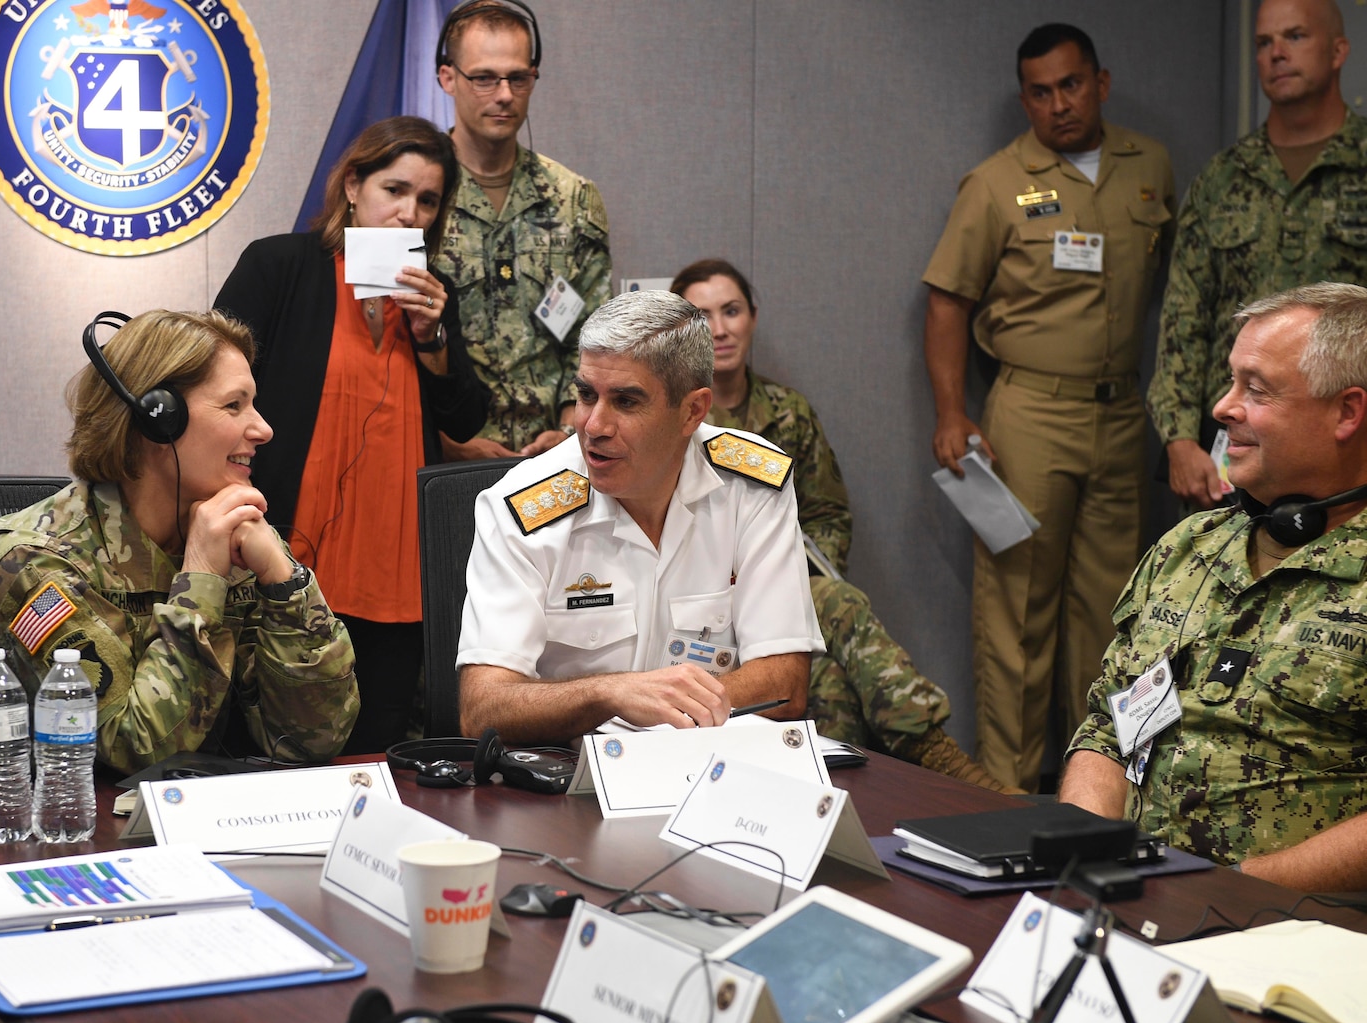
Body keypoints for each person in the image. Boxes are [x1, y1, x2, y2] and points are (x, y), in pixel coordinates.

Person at [0, 310, 359, 790]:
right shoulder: (34, 561)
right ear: (158, 422)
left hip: (190, 824)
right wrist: (200, 582)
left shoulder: (236, 533)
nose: (263, 429)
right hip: (31, 832)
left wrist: (283, 580)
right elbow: (137, 751)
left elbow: (313, 739)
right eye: (234, 406)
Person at [922, 23, 1175, 792]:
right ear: (1025, 98)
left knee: (1112, 611)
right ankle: (1008, 790)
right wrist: (950, 415)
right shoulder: (996, 183)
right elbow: (945, 302)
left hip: (1121, 415)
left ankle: (1097, 788)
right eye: (1040, 91)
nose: (1059, 105)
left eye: (1071, 85)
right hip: (1029, 413)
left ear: (1100, 82)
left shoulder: (1150, 167)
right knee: (1018, 614)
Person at [1062, 283, 1367, 892]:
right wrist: (1090, 858)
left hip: (1299, 934)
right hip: (1130, 901)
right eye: (1230, 383)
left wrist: (1233, 892)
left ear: (1347, 412)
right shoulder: (1189, 547)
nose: (1223, 408)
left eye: (1256, 390)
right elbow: (1107, 729)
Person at [671, 259, 1013, 793]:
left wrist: (787, 582)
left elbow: (828, 514)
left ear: (753, 318)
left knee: (828, 679)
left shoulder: (789, 412)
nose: (719, 328)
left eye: (731, 310)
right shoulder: (673, 421)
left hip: (788, 594)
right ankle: (947, 762)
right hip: (699, 601)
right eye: (702, 316)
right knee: (839, 604)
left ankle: (841, 810)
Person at [214, 116, 486, 752]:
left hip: (394, 560)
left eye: (427, 200)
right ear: (353, 186)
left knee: (372, 747)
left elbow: (466, 418)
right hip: (285, 547)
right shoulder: (280, 264)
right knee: (270, 743)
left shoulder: (433, 297)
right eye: (395, 190)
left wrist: (433, 338)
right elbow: (211, 378)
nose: (408, 214)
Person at [456, 290, 821, 742]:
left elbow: (785, 683)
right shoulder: (523, 506)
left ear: (692, 411)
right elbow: (482, 708)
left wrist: (663, 720)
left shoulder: (751, 486)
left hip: (707, 769)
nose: (593, 425)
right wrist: (611, 694)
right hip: (568, 784)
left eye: (626, 402)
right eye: (586, 395)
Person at [1151, 0, 1367, 510]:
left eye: (1294, 37)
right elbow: (1184, 315)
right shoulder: (1223, 178)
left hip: (1347, 446)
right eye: (1264, 43)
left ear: (1338, 50)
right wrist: (1179, 438)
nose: (1276, 54)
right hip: (1234, 445)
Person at [433, 0, 611, 460]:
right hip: (442, 453)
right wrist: (442, 439)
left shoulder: (573, 198)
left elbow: (593, 330)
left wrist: (572, 423)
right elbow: (388, 337)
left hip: (557, 454)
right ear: (447, 77)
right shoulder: (415, 195)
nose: (505, 94)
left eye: (518, 78)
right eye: (485, 78)